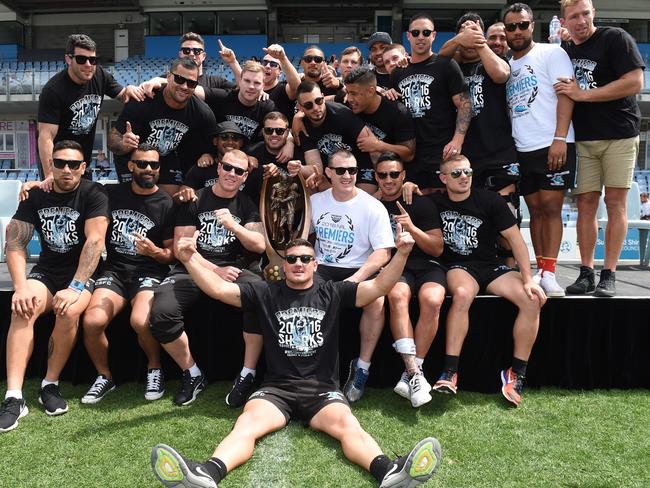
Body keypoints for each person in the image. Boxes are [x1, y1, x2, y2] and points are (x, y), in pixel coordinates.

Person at [150, 233, 442, 488]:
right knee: (247, 424)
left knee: (348, 426)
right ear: (283, 265)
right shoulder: (265, 292)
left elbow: (379, 287)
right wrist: (190, 260)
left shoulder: (333, 292)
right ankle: (207, 474)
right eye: (292, 259)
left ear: (315, 264)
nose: (299, 263)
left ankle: (388, 472)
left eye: (305, 258)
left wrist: (402, 253)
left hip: (322, 390)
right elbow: (218, 290)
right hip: (277, 390)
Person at [0, 140, 109, 432]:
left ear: (83, 168)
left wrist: (75, 287)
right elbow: (14, 242)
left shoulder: (93, 193)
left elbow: (95, 241)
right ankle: (14, 396)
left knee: (69, 311)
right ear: (51, 165)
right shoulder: (35, 196)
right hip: (47, 272)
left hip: (81, 275)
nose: (66, 169)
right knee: (22, 309)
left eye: (73, 164)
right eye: (59, 163)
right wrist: (20, 287)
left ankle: (50, 384)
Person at [148, 150, 265, 407]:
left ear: (245, 176)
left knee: (262, 297)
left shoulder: (246, 203)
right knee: (161, 313)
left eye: (239, 171)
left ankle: (247, 374)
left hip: (235, 269)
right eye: (228, 167)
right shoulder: (195, 200)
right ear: (219, 168)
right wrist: (214, 271)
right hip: (192, 269)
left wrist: (234, 226)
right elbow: (182, 248)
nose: (232, 174)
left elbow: (259, 245)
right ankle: (192, 373)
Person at [429, 155, 546, 407]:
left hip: (490, 266)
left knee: (532, 299)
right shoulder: (434, 201)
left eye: (468, 172)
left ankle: (516, 374)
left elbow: (516, 241)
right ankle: (450, 372)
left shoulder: (490, 200)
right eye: (457, 173)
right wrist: (409, 187)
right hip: (459, 267)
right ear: (443, 178)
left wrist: (528, 279)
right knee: (461, 294)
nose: (464, 178)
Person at [557, 0, 645, 297]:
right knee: (585, 205)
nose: (581, 21)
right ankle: (586, 272)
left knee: (616, 203)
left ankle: (609, 273)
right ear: (563, 21)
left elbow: (635, 81)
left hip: (619, 134)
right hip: (582, 138)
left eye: (585, 14)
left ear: (593, 13)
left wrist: (584, 95)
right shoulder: (565, 49)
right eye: (574, 16)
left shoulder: (615, 38)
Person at [80, 144, 175, 404]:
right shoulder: (111, 193)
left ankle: (154, 369)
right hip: (116, 270)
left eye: (154, 165)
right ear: (130, 165)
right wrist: (38, 184)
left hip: (149, 272)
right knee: (92, 321)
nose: (148, 169)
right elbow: (75, 184)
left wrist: (154, 251)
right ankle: (104, 377)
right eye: (142, 163)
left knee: (141, 321)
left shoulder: (166, 202)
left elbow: (171, 255)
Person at [307, 150, 394, 403]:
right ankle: (313, 369)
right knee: (302, 292)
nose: (347, 176)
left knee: (376, 300)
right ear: (329, 173)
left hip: (359, 267)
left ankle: (362, 368)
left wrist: (355, 279)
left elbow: (382, 253)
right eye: (341, 170)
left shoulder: (372, 206)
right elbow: (302, 236)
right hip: (322, 266)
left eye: (353, 171)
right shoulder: (316, 201)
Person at [504, 2, 576, 297]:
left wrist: (560, 137)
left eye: (523, 25)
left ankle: (550, 272)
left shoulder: (552, 52)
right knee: (533, 210)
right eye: (511, 27)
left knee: (551, 208)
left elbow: (567, 96)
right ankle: (541, 267)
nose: (517, 31)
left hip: (553, 143)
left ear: (532, 25)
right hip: (523, 148)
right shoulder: (507, 65)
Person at [439, 13, 519, 264]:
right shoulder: (451, 64)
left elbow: (501, 75)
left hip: (498, 152)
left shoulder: (492, 58)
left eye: (475, 30)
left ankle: (509, 270)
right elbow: (438, 59)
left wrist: (481, 42)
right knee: (470, 218)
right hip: (464, 158)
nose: (469, 34)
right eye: (464, 30)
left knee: (506, 216)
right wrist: (459, 39)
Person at [376, 153, 445, 408]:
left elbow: (437, 248)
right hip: (396, 266)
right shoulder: (373, 205)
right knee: (396, 296)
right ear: (376, 177)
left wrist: (413, 228)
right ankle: (414, 372)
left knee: (433, 299)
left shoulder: (421, 203)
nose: (389, 180)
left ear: (403, 176)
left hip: (428, 266)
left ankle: (414, 371)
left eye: (394, 174)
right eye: (383, 174)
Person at [38, 34, 143, 184]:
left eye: (93, 60)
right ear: (68, 59)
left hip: (82, 161)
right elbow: (46, 137)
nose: (88, 64)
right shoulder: (53, 90)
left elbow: (123, 95)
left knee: (83, 203)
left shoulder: (99, 75)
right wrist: (49, 174)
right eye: (81, 59)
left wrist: (131, 89)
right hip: (59, 164)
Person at [108, 58, 216, 195]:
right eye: (179, 79)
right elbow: (113, 140)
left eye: (191, 83)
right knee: (135, 203)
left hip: (166, 159)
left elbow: (213, 144)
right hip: (134, 159)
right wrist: (123, 144)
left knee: (170, 201)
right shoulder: (143, 100)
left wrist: (207, 153)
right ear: (168, 77)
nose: (184, 86)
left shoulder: (202, 113)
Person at [389, 13, 471, 193]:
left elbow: (464, 104)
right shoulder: (398, 73)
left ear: (433, 35)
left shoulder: (446, 65)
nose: (420, 37)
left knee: (442, 205)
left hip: (441, 152)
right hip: (411, 156)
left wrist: (457, 141)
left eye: (426, 33)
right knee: (417, 207)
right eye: (416, 32)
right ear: (408, 36)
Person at [295, 81, 381, 193]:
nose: (316, 108)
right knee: (316, 184)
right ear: (300, 107)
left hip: (360, 165)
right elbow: (316, 168)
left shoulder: (342, 114)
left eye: (318, 101)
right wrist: (299, 168)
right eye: (308, 105)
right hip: (333, 172)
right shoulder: (302, 127)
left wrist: (382, 179)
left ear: (323, 97)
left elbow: (373, 147)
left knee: (366, 197)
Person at [343, 67, 416, 165]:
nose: (349, 99)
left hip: (388, 173)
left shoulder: (398, 112)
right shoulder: (348, 104)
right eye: (347, 93)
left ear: (371, 91)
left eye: (354, 94)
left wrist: (378, 145)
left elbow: (408, 154)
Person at [139, 32, 238, 98]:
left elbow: (243, 90)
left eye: (197, 51)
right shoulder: (163, 79)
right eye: (186, 50)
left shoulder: (216, 82)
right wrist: (129, 89)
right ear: (180, 54)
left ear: (203, 56)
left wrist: (233, 62)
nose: (191, 54)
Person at [203, 60, 278, 144]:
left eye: (257, 83)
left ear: (263, 86)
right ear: (240, 81)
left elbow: (280, 126)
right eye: (247, 81)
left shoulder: (267, 106)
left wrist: (289, 142)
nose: (251, 86)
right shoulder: (224, 97)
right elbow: (193, 91)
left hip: (248, 155)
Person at [245, 111, 298, 206]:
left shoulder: (296, 154)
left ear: (287, 132)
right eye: (269, 130)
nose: (274, 134)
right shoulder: (251, 151)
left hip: (290, 211)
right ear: (263, 132)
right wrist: (246, 158)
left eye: (279, 131)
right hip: (255, 210)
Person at [182, 121, 248, 194]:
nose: (230, 142)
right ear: (215, 141)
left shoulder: (248, 169)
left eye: (235, 138)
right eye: (224, 137)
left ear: (241, 143)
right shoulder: (202, 167)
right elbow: (181, 195)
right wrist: (185, 195)